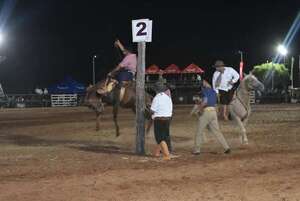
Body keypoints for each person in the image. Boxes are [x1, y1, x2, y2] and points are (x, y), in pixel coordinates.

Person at [192, 79, 231, 155]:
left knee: (199, 132)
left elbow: (205, 101)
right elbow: (216, 102)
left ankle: (197, 150)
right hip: (213, 112)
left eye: (204, 82)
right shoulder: (213, 91)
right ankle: (227, 147)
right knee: (217, 131)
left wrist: (199, 109)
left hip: (206, 112)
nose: (203, 83)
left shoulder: (204, 90)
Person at [150, 82, 173, 160]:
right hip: (168, 119)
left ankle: (167, 155)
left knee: (159, 138)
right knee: (163, 136)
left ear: (156, 90)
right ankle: (157, 152)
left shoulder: (156, 98)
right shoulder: (167, 97)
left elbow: (152, 110)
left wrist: (148, 112)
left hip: (159, 120)